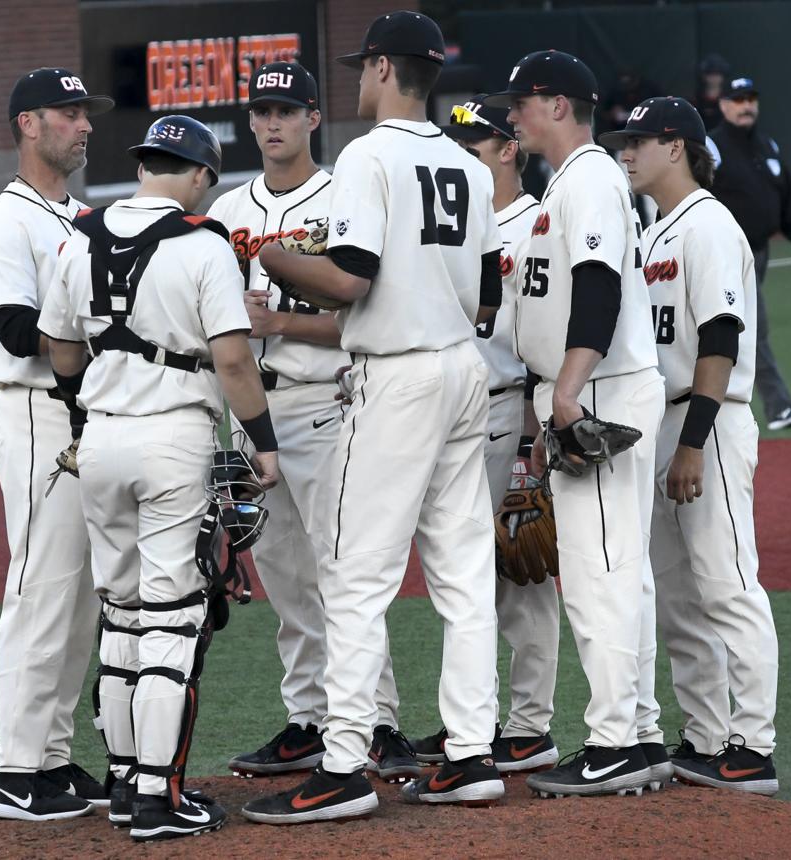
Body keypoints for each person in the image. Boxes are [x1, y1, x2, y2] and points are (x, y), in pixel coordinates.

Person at [241, 11, 506, 824]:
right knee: (463, 576)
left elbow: (349, 279)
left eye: (364, 65)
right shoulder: (467, 164)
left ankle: (346, 761)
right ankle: (470, 756)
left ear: (388, 69)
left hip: (397, 376)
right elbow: (490, 292)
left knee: (354, 576)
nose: (358, 77)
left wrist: (267, 254)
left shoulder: (367, 155)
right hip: (466, 366)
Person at [39, 114, 280, 841]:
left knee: (121, 612)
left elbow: (57, 345)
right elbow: (233, 361)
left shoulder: (80, 234)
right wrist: (263, 444)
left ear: (145, 166)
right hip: (172, 436)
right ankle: (157, 798)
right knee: (173, 617)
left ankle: (121, 782)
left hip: (102, 438)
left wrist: (89, 419)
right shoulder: (204, 242)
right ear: (201, 175)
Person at [206, 62, 415, 784]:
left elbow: (366, 313)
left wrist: (284, 325)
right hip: (254, 413)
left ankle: (380, 723)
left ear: (313, 119)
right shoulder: (230, 211)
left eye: (286, 110)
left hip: (326, 403)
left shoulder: (343, 198)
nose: (271, 123)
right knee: (287, 579)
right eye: (262, 111)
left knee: (342, 575)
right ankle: (310, 720)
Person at [483, 50, 669, 797]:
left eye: (521, 103)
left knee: (597, 572)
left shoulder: (590, 177)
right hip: (590, 386)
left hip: (600, 390)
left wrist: (567, 389)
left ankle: (615, 742)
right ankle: (641, 734)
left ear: (558, 105)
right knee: (616, 567)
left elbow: (598, 286)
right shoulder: (570, 182)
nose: (513, 116)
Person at [603, 96, 780, 796]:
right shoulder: (657, 232)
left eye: (640, 141)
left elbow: (721, 337)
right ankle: (707, 737)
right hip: (667, 421)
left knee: (728, 585)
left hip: (708, 421)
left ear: (676, 147)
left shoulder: (708, 225)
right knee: (678, 596)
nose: (628, 151)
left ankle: (755, 745)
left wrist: (694, 444)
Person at [0, 68, 114, 822]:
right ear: (29, 123)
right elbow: (19, 333)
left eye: (85, 113)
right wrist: (107, 330)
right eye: (67, 112)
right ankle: (16, 769)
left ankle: (53, 759)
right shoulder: (6, 222)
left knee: (82, 594)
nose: (83, 124)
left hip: (85, 415)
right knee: (41, 588)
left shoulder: (81, 218)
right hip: (34, 414)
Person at [410, 95, 561, 775]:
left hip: (507, 410)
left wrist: (537, 427)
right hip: (452, 409)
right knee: (465, 570)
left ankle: (529, 725)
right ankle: (471, 724)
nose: (460, 154)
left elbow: (543, 331)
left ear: (508, 149)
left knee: (516, 569)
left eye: (475, 145)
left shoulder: (534, 224)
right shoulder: (455, 222)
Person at [709, 75, 791, 431]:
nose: (746, 105)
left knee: (732, 329)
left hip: (758, 254)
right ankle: (779, 406)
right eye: (738, 99)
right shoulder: (712, 147)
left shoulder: (766, 145)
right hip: (729, 256)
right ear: (724, 105)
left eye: (750, 99)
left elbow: (786, 199)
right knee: (750, 328)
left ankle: (714, 404)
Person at [694, 54, 730, 131]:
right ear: (703, 76)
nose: (714, 78)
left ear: (723, 76)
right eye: (710, 74)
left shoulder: (729, 101)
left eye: (717, 74)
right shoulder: (695, 101)